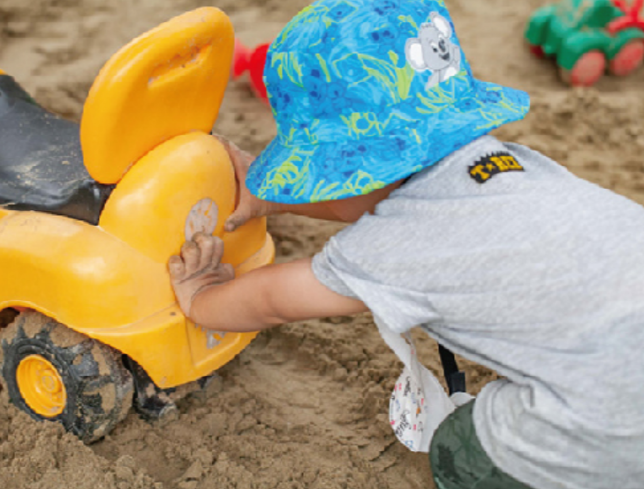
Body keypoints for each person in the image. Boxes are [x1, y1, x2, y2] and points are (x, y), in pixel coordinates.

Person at [168, 1, 644, 488]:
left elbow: (272, 301)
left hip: (612, 431)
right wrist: (273, 202)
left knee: (462, 446)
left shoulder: (389, 249)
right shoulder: (510, 164)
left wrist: (201, 297)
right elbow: (375, 197)